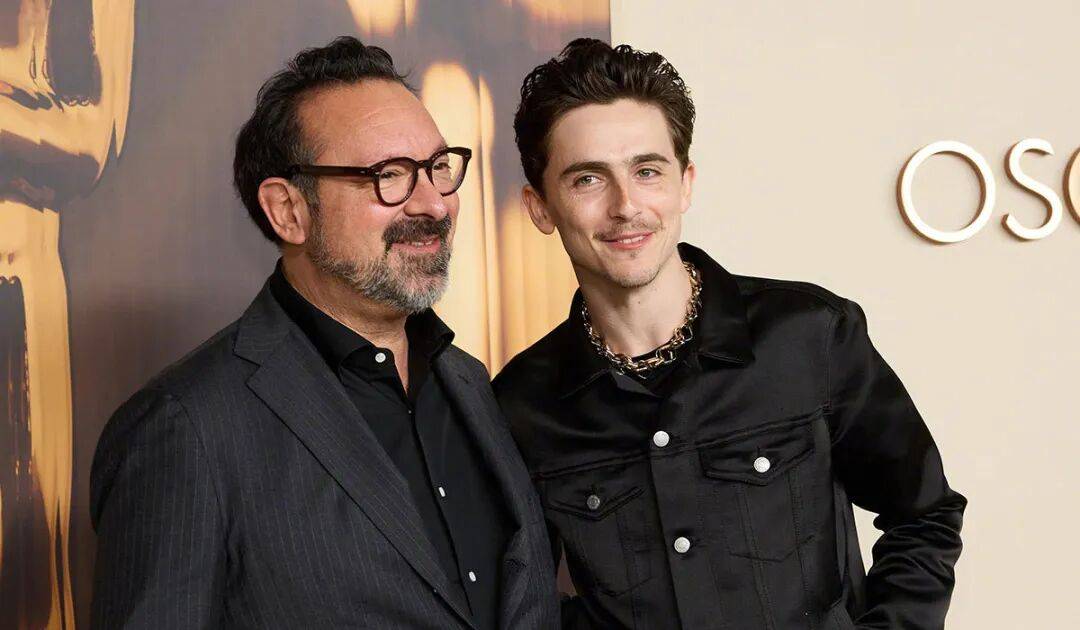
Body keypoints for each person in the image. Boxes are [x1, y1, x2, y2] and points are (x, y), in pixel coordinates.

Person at [494, 38, 965, 629]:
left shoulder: (810, 337)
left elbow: (924, 515)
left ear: (685, 183)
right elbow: (523, 604)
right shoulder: (520, 406)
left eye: (647, 171)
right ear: (540, 207)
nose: (626, 205)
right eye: (588, 179)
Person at [90, 36, 557, 629]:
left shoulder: (470, 382)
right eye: (389, 175)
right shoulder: (186, 428)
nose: (434, 205)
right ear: (288, 210)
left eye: (439, 168)